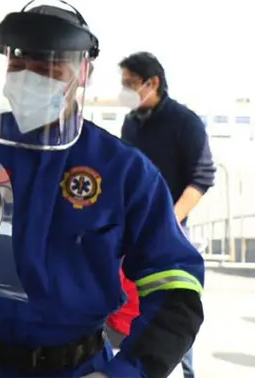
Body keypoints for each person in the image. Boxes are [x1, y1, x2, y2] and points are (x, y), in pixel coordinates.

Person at [0, 0, 204, 378]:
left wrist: (128, 371)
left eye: (46, 69)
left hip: (79, 368)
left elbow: (176, 281)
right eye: (18, 66)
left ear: (83, 72)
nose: (28, 78)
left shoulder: (122, 169)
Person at [118, 51, 215, 378]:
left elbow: (201, 178)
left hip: (170, 229)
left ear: (153, 83)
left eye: (130, 84)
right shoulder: (130, 123)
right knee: (138, 303)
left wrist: (168, 221)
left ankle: (185, 370)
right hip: (133, 229)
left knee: (174, 300)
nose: (125, 90)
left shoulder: (185, 122)